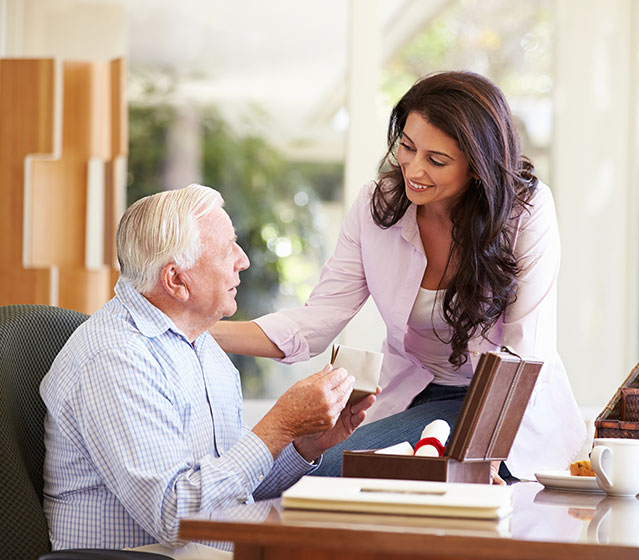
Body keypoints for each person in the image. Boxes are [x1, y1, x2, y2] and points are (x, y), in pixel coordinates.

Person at [211, 71, 585, 481]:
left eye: (437, 160)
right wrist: (204, 332)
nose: (414, 169)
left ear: (478, 168)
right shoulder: (378, 206)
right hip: (413, 397)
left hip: (500, 409)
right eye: (407, 147)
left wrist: (485, 454)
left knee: (324, 475)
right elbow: (318, 320)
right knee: (296, 473)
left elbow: (523, 352)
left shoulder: (524, 212)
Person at [40, 184, 376, 551]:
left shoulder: (200, 344)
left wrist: (304, 443)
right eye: (225, 249)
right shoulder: (116, 357)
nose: (243, 259)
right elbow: (175, 515)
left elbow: (231, 488)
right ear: (177, 281)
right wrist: (279, 425)